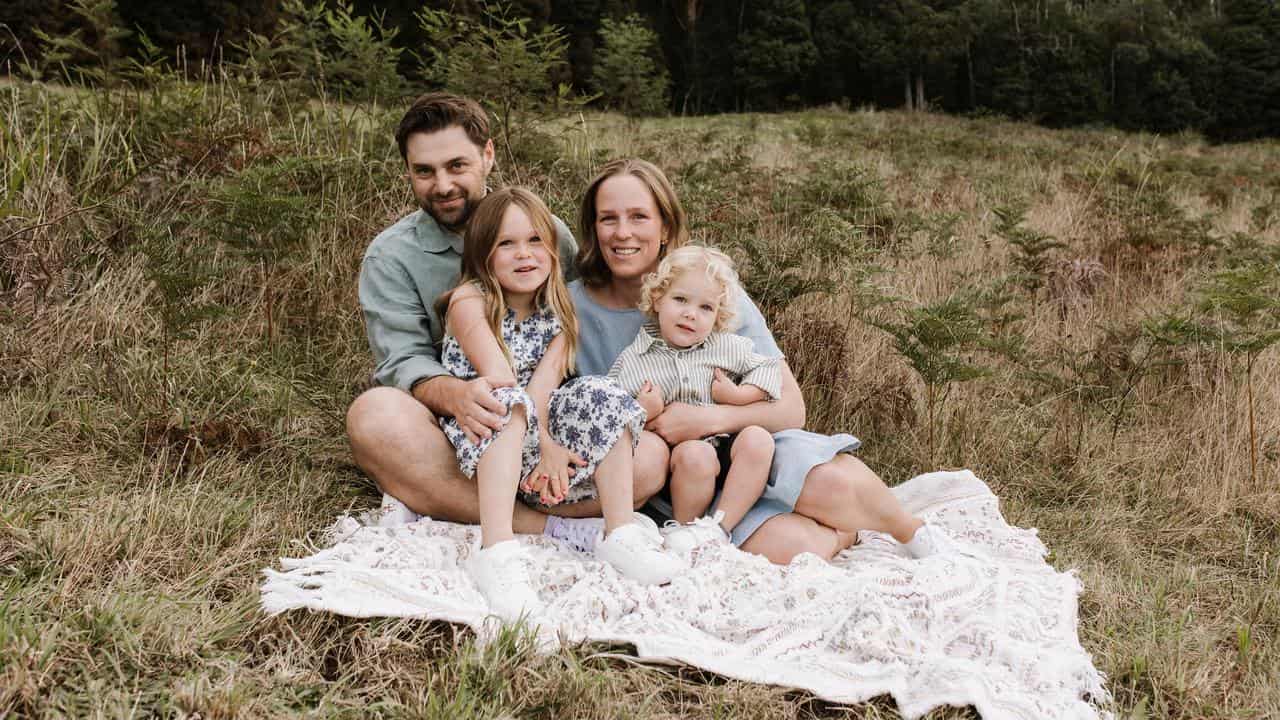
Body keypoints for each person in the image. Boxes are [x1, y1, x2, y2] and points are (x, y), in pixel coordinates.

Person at [570, 158, 957, 564]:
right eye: (608, 218)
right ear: (593, 228)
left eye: (638, 217)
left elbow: (791, 407)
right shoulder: (573, 306)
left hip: (745, 449)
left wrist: (710, 419)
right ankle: (842, 530)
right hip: (675, 481)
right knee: (796, 548)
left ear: (665, 227)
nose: (623, 233)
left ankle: (904, 529)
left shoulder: (712, 288)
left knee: (829, 484)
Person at [345, 93, 669, 560]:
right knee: (373, 416)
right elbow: (402, 360)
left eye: (457, 165)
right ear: (408, 172)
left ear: (488, 155)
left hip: (545, 415)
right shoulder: (390, 256)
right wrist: (455, 395)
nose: (442, 185)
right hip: (458, 425)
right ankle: (547, 527)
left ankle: (441, 502)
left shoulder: (546, 229)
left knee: (651, 460)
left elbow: (571, 311)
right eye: (424, 171)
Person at [436, 187, 683, 621]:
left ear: (553, 250)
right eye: (506, 244)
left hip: (532, 425)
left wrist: (549, 444)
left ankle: (619, 533)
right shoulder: (470, 302)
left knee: (601, 391)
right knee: (507, 401)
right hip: (479, 428)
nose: (524, 254)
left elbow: (543, 390)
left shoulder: (559, 313)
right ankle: (496, 552)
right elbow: (502, 379)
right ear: (483, 254)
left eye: (535, 241)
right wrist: (544, 443)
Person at [607, 245, 780, 554]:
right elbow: (609, 411)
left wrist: (739, 395)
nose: (691, 314)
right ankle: (686, 535)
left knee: (759, 439)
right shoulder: (635, 357)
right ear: (658, 299)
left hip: (727, 451)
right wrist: (642, 410)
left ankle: (717, 530)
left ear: (717, 317)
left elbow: (768, 370)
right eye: (681, 300)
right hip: (677, 465)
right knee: (695, 455)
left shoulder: (727, 346)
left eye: (705, 308)